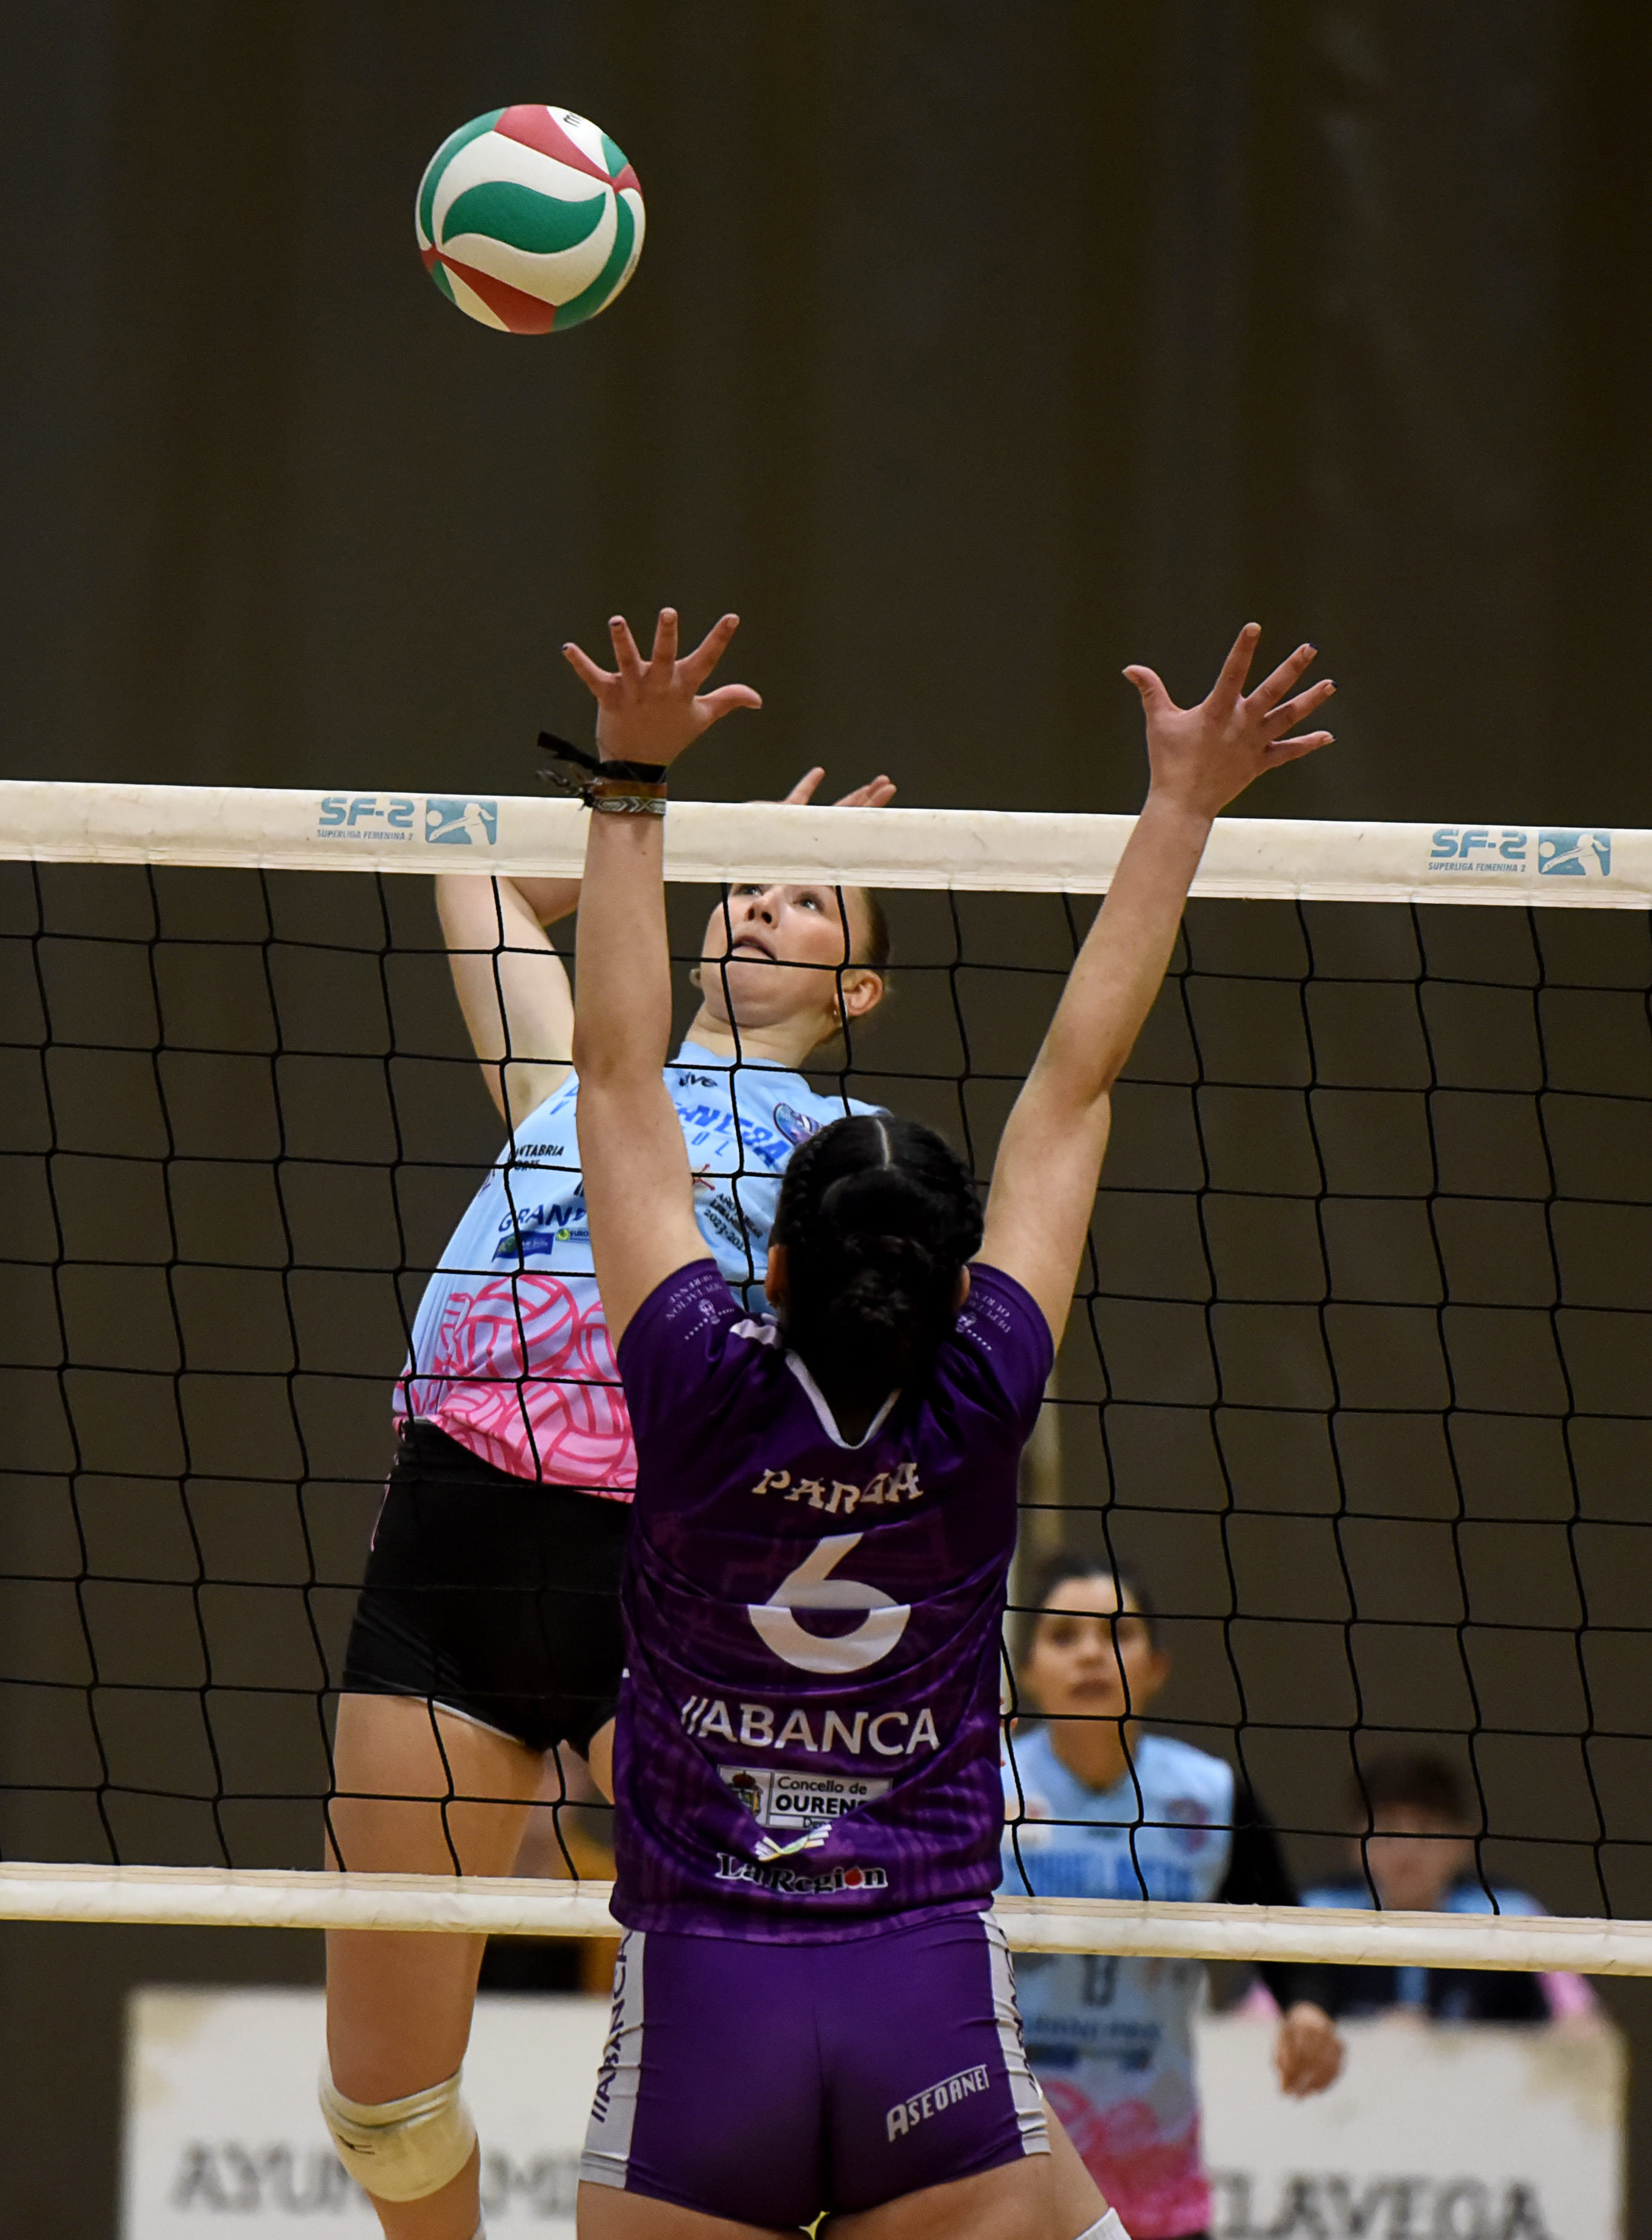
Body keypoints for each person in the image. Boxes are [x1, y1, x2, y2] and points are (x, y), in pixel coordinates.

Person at [563, 605, 1335, 2239]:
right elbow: (1072, 1091)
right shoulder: (985, 1387)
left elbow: (618, 1077)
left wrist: (629, 781)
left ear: (769, 1264)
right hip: (920, 1993)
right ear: (956, 1276)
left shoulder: (692, 1375)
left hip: (702, 2003)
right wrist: (1180, 807)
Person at [321, 759, 897, 2240]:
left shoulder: (854, 1150)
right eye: (749, 888)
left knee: (770, 2045)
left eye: (809, 900)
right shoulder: (571, 1076)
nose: (762, 906)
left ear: (861, 988)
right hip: (451, 1553)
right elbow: (476, 870)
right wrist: (683, 836)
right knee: (380, 2103)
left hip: (676, 1584)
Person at [1002, 1551, 1344, 2240]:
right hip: (1010, 2160)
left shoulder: (1208, 1794)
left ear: (1157, 1665)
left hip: (1155, 2169)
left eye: (1117, 1633)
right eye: (1064, 1635)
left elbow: (1283, 1925)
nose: (1091, 1653)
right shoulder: (983, 1788)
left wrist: (1306, 2008)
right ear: (1027, 1669)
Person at [1295, 1749, 1598, 2024]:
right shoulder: (1315, 1915)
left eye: (1426, 1830)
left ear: (1462, 1842)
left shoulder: (1510, 1916)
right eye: (1386, 1830)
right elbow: (1267, 2022)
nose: (1406, 1853)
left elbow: (1585, 2027)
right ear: (1355, 1843)